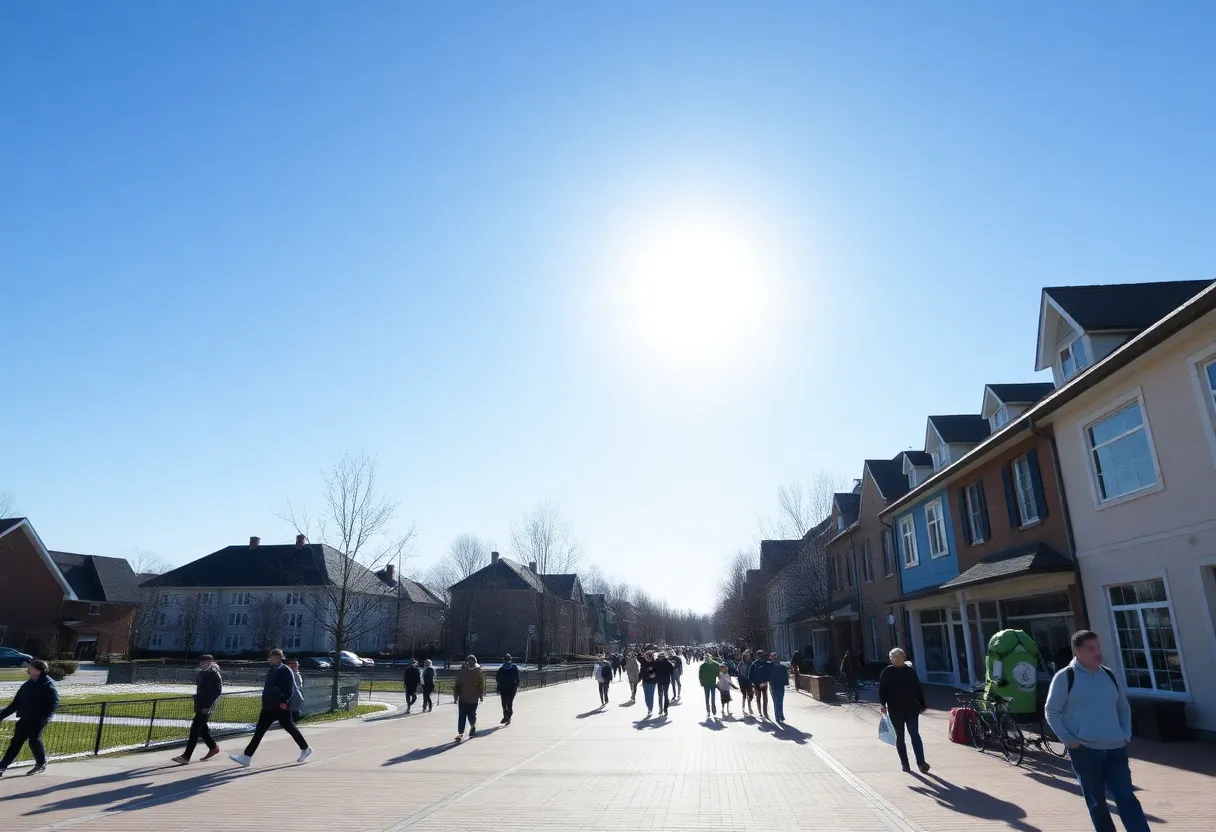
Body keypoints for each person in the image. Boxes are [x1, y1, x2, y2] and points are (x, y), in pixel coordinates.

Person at [1045, 630, 1149, 832]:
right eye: (1091, 648)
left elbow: (1123, 707)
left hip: (1115, 748)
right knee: (1097, 803)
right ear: (1078, 651)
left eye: (1098, 647)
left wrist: (1125, 732)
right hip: (1085, 751)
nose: (1097, 652)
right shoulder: (1066, 677)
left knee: (1126, 797)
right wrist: (1069, 740)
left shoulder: (1109, 675)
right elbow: (1051, 711)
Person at [230, 649, 311, 767]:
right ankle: (247, 757)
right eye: (269, 657)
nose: (269, 659)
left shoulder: (285, 670)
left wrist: (284, 701)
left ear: (278, 657)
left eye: (272, 657)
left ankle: (306, 748)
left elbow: (290, 689)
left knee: (289, 727)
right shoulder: (272, 670)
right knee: (259, 731)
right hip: (269, 706)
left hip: (280, 706)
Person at [0, 659, 59, 776]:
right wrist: (1, 716)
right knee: (16, 742)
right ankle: (2, 767)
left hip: (39, 719)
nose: (28, 669)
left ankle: (41, 763)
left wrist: (45, 717)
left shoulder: (47, 684)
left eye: (31, 668)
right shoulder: (28, 684)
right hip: (26, 717)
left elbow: (54, 702)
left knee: (34, 740)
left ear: (38, 671)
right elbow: (16, 703)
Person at [878, 647, 928, 774]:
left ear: (903, 658)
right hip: (895, 710)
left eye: (899, 657)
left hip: (911, 708)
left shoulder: (910, 672)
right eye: (893, 658)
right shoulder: (887, 672)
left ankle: (921, 762)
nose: (896, 660)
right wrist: (883, 704)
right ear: (891, 659)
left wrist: (922, 703)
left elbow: (917, 688)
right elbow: (882, 690)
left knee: (915, 734)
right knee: (900, 737)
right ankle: (905, 763)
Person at [174, 654, 223, 765]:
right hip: (200, 705)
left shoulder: (214, 674)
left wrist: (208, 706)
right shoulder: (204, 672)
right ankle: (213, 747)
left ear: (209, 662)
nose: (200, 664)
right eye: (200, 662)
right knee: (202, 730)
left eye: (203, 662)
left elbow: (217, 692)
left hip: (205, 707)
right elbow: (202, 689)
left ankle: (186, 756)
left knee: (195, 730)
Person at [452, 654, 485, 743]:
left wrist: (481, 695)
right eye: (468, 661)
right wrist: (455, 695)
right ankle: (460, 733)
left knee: (471, 715)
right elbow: (457, 684)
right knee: (462, 715)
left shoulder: (478, 672)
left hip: (473, 698)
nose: (469, 663)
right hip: (463, 697)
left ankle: (472, 725)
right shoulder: (463, 672)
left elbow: (481, 685)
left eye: (471, 661)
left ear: (475, 662)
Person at [496, 654, 520, 725]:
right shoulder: (501, 669)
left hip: (511, 688)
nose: (507, 661)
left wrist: (515, 683)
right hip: (503, 688)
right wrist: (498, 687)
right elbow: (498, 679)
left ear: (510, 660)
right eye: (505, 659)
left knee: (509, 703)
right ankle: (505, 716)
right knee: (504, 703)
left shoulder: (514, 668)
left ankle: (509, 716)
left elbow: (517, 678)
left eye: (508, 659)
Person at [750, 651, 772, 719]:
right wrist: (753, 683)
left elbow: (769, 672)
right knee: (758, 698)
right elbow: (750, 675)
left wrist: (767, 680)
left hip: (764, 683)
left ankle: (765, 712)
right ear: (757, 655)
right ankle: (760, 711)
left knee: (765, 698)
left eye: (761, 654)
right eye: (759, 655)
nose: (760, 656)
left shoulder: (766, 663)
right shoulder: (754, 664)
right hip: (757, 684)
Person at [699, 653, 722, 718]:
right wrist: (701, 682)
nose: (706, 658)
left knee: (711, 697)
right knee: (708, 697)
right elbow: (700, 675)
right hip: (707, 684)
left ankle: (712, 709)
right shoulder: (703, 666)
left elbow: (718, 673)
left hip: (712, 684)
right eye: (706, 657)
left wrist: (719, 680)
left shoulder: (713, 665)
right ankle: (709, 711)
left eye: (707, 657)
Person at [769, 655, 790, 723]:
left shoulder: (771, 667)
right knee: (780, 701)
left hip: (774, 686)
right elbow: (786, 677)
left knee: (776, 701)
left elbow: (770, 677)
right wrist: (786, 683)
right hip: (780, 686)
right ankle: (781, 715)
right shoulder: (782, 667)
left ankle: (777, 716)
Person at [638, 650, 659, 717]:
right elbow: (639, 659)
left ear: (651, 656)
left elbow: (658, 671)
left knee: (651, 696)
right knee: (646, 697)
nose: (647, 658)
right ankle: (649, 707)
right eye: (646, 656)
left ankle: (650, 708)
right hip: (645, 681)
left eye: (648, 656)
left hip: (652, 682)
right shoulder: (644, 662)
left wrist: (654, 674)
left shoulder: (655, 662)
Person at [738, 650, 755, 715]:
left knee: (751, 695)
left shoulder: (750, 663)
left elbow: (753, 672)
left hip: (749, 682)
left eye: (746, 656)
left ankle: (749, 705)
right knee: (744, 695)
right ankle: (744, 707)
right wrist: (739, 682)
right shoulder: (740, 664)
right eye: (744, 656)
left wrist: (753, 681)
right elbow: (739, 674)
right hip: (742, 682)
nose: (745, 658)